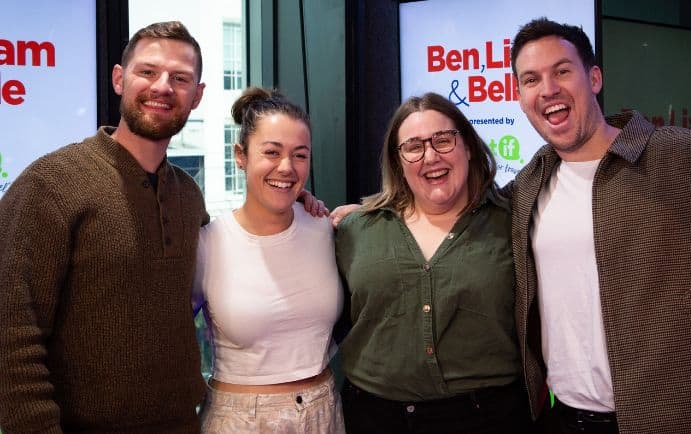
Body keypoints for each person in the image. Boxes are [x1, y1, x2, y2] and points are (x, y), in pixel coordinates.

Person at [507, 17, 691, 433]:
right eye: (531, 79)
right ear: (520, 96)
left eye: (562, 71)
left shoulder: (680, 157)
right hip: (567, 418)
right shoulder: (528, 186)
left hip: (685, 420)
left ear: (594, 77)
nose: (548, 89)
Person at [0, 21, 208, 433]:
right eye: (147, 71)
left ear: (197, 96)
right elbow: (11, 329)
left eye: (180, 78)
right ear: (119, 79)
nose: (162, 86)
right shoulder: (51, 183)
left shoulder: (188, 195)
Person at [335, 92, 534, 434]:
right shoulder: (355, 230)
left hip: (488, 417)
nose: (430, 156)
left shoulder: (512, 222)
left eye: (443, 140)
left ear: (468, 147)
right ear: (397, 161)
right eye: (413, 146)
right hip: (374, 417)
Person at [191, 87, 345, 433]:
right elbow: (169, 335)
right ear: (240, 156)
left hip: (324, 413)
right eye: (271, 152)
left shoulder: (323, 228)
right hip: (240, 420)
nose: (287, 167)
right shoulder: (209, 243)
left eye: (300, 155)